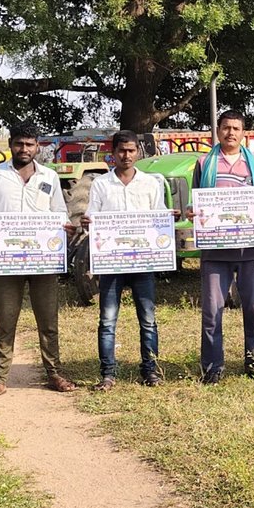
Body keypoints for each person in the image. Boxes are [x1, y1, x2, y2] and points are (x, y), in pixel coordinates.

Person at [0, 122, 77, 400]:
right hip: (6, 261)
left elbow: (60, 213)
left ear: (37, 146)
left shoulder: (49, 176)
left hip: (43, 260)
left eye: (29, 144)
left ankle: (54, 373)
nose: (24, 149)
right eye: (19, 143)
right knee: (5, 321)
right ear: (10, 145)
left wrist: (65, 228)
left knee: (48, 320)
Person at [191, 109, 254, 383]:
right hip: (215, 251)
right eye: (226, 127)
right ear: (218, 130)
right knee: (212, 312)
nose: (231, 133)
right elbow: (196, 201)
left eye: (236, 128)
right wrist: (193, 211)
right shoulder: (204, 163)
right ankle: (212, 367)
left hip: (251, 250)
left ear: (243, 133)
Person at [84, 130, 171, 388]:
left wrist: (169, 218)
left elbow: (159, 215)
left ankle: (150, 370)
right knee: (107, 320)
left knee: (148, 319)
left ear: (138, 152)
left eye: (131, 150)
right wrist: (87, 223)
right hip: (111, 264)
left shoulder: (150, 183)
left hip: (143, 263)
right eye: (121, 150)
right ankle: (108, 373)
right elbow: (91, 216)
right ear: (112, 153)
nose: (126, 155)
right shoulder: (101, 184)